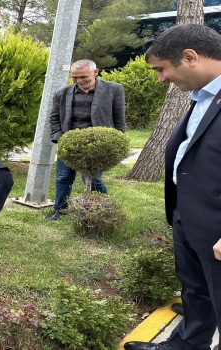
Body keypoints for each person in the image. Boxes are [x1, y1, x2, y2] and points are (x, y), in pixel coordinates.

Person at [123, 24, 221, 350]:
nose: (160, 79)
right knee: (195, 290)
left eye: (161, 69)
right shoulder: (203, 96)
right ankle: (185, 345)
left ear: (190, 57)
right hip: (188, 215)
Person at [46, 59, 126, 221]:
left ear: (95, 73)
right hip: (69, 144)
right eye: (75, 78)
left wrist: (117, 142)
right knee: (63, 178)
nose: (79, 81)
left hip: (98, 146)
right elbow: (54, 118)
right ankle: (59, 210)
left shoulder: (114, 89)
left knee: (93, 178)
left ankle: (104, 208)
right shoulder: (62, 93)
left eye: (84, 77)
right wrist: (60, 139)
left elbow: (119, 119)